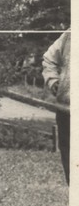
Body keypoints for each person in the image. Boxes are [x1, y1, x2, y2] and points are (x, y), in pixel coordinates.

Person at [42, 31, 71, 185]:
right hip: (67, 108)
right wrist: (52, 80)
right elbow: (49, 59)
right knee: (68, 151)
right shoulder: (70, 34)